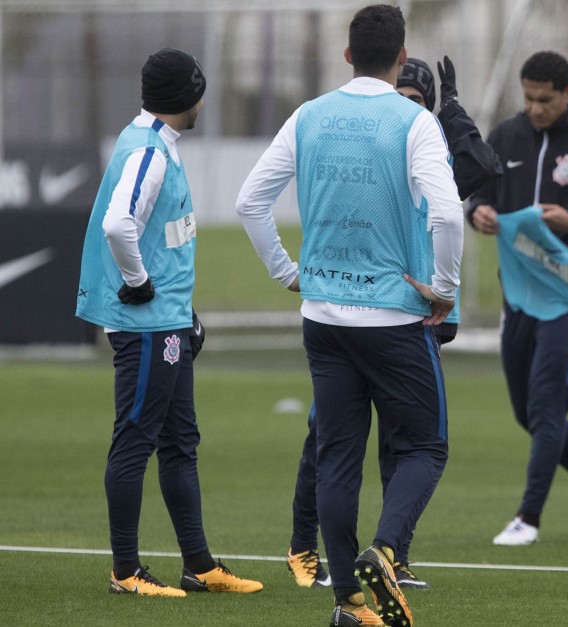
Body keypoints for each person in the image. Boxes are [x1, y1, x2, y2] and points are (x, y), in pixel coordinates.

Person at [235, 5, 463, 626]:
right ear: (400, 56)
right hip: (393, 318)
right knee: (424, 445)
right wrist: (444, 286)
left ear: (346, 55)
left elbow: (250, 201)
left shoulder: (308, 115)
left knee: (337, 457)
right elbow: (447, 214)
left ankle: (349, 605)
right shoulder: (413, 121)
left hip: (324, 317)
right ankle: (385, 550)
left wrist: (289, 273)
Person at [284, 54, 501, 593]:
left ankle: (388, 557)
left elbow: (483, 168)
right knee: (328, 437)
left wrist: (453, 115)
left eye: (417, 101)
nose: (404, 107)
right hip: (368, 306)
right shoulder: (369, 135)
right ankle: (304, 545)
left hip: (412, 309)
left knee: (400, 439)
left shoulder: (428, 136)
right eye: (399, 95)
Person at [76, 47, 263, 598]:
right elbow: (118, 225)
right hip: (146, 325)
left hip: (167, 321)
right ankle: (126, 571)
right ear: (192, 95)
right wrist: (139, 285)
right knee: (135, 439)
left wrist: (180, 312)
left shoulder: (157, 143)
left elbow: (159, 236)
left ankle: (199, 565)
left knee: (181, 441)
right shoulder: (150, 152)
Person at [466, 50, 568, 547]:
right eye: (528, 98)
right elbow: (480, 192)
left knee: (545, 406)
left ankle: (528, 518)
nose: (535, 108)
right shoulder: (506, 137)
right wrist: (479, 211)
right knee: (530, 414)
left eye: (545, 99)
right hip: (517, 293)